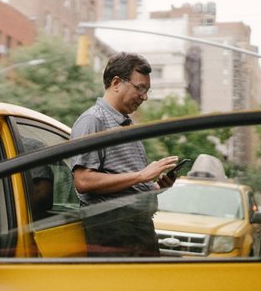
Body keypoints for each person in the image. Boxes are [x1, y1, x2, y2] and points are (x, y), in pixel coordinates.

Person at [70, 51, 179, 256]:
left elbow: (125, 184)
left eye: (147, 91)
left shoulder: (126, 124)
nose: (144, 97)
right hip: (113, 234)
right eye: (140, 88)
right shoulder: (93, 120)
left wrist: (153, 187)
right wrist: (141, 176)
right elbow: (83, 181)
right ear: (117, 83)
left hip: (135, 232)